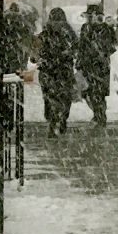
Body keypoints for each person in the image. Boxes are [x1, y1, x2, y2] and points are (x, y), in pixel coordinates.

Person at [37, 7, 77, 137]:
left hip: (63, 72)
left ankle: (61, 120)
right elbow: (36, 52)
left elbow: (77, 48)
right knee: (51, 99)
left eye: (59, 21)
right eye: (55, 21)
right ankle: (53, 122)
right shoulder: (45, 35)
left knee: (64, 99)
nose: (57, 24)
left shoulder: (69, 34)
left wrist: (68, 54)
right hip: (49, 72)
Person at [78, 3, 117, 127]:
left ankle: (100, 116)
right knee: (88, 93)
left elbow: (111, 47)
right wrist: (80, 61)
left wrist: (99, 51)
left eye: (92, 16)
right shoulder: (85, 28)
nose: (89, 19)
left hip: (100, 67)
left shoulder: (106, 29)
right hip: (87, 66)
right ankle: (98, 114)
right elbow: (81, 46)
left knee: (98, 93)